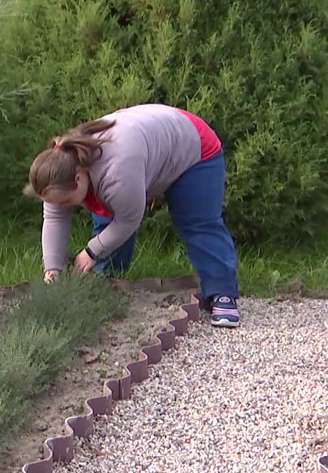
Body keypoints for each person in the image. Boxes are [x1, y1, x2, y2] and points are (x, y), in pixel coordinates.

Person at [25, 103, 241, 328]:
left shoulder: (116, 173)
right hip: (146, 149)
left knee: (198, 223)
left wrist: (89, 252)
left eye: (66, 201)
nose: (63, 206)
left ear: (78, 178)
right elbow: (55, 219)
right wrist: (52, 270)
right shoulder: (61, 170)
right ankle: (103, 284)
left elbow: (129, 220)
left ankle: (222, 293)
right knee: (108, 222)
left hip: (192, 147)